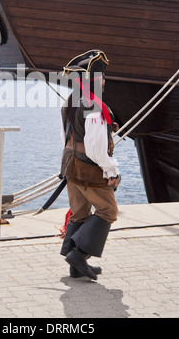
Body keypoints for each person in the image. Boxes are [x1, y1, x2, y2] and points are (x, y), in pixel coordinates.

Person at [60, 50, 120, 280]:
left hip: (71, 165)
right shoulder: (95, 106)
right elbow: (97, 148)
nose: (104, 81)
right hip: (89, 168)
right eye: (100, 77)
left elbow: (66, 137)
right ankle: (78, 255)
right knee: (108, 211)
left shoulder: (71, 101)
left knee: (80, 213)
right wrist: (111, 170)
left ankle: (76, 266)